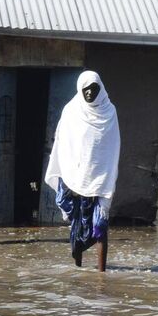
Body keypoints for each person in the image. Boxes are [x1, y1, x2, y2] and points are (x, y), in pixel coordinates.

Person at [46, 70, 121, 271]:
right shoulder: (71, 110)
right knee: (77, 225)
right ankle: (78, 268)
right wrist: (69, 169)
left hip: (99, 176)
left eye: (94, 89)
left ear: (101, 89)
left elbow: (112, 147)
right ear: (80, 90)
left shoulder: (109, 111)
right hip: (75, 176)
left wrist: (105, 173)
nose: (89, 93)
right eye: (85, 90)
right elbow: (63, 142)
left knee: (100, 226)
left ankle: (101, 273)